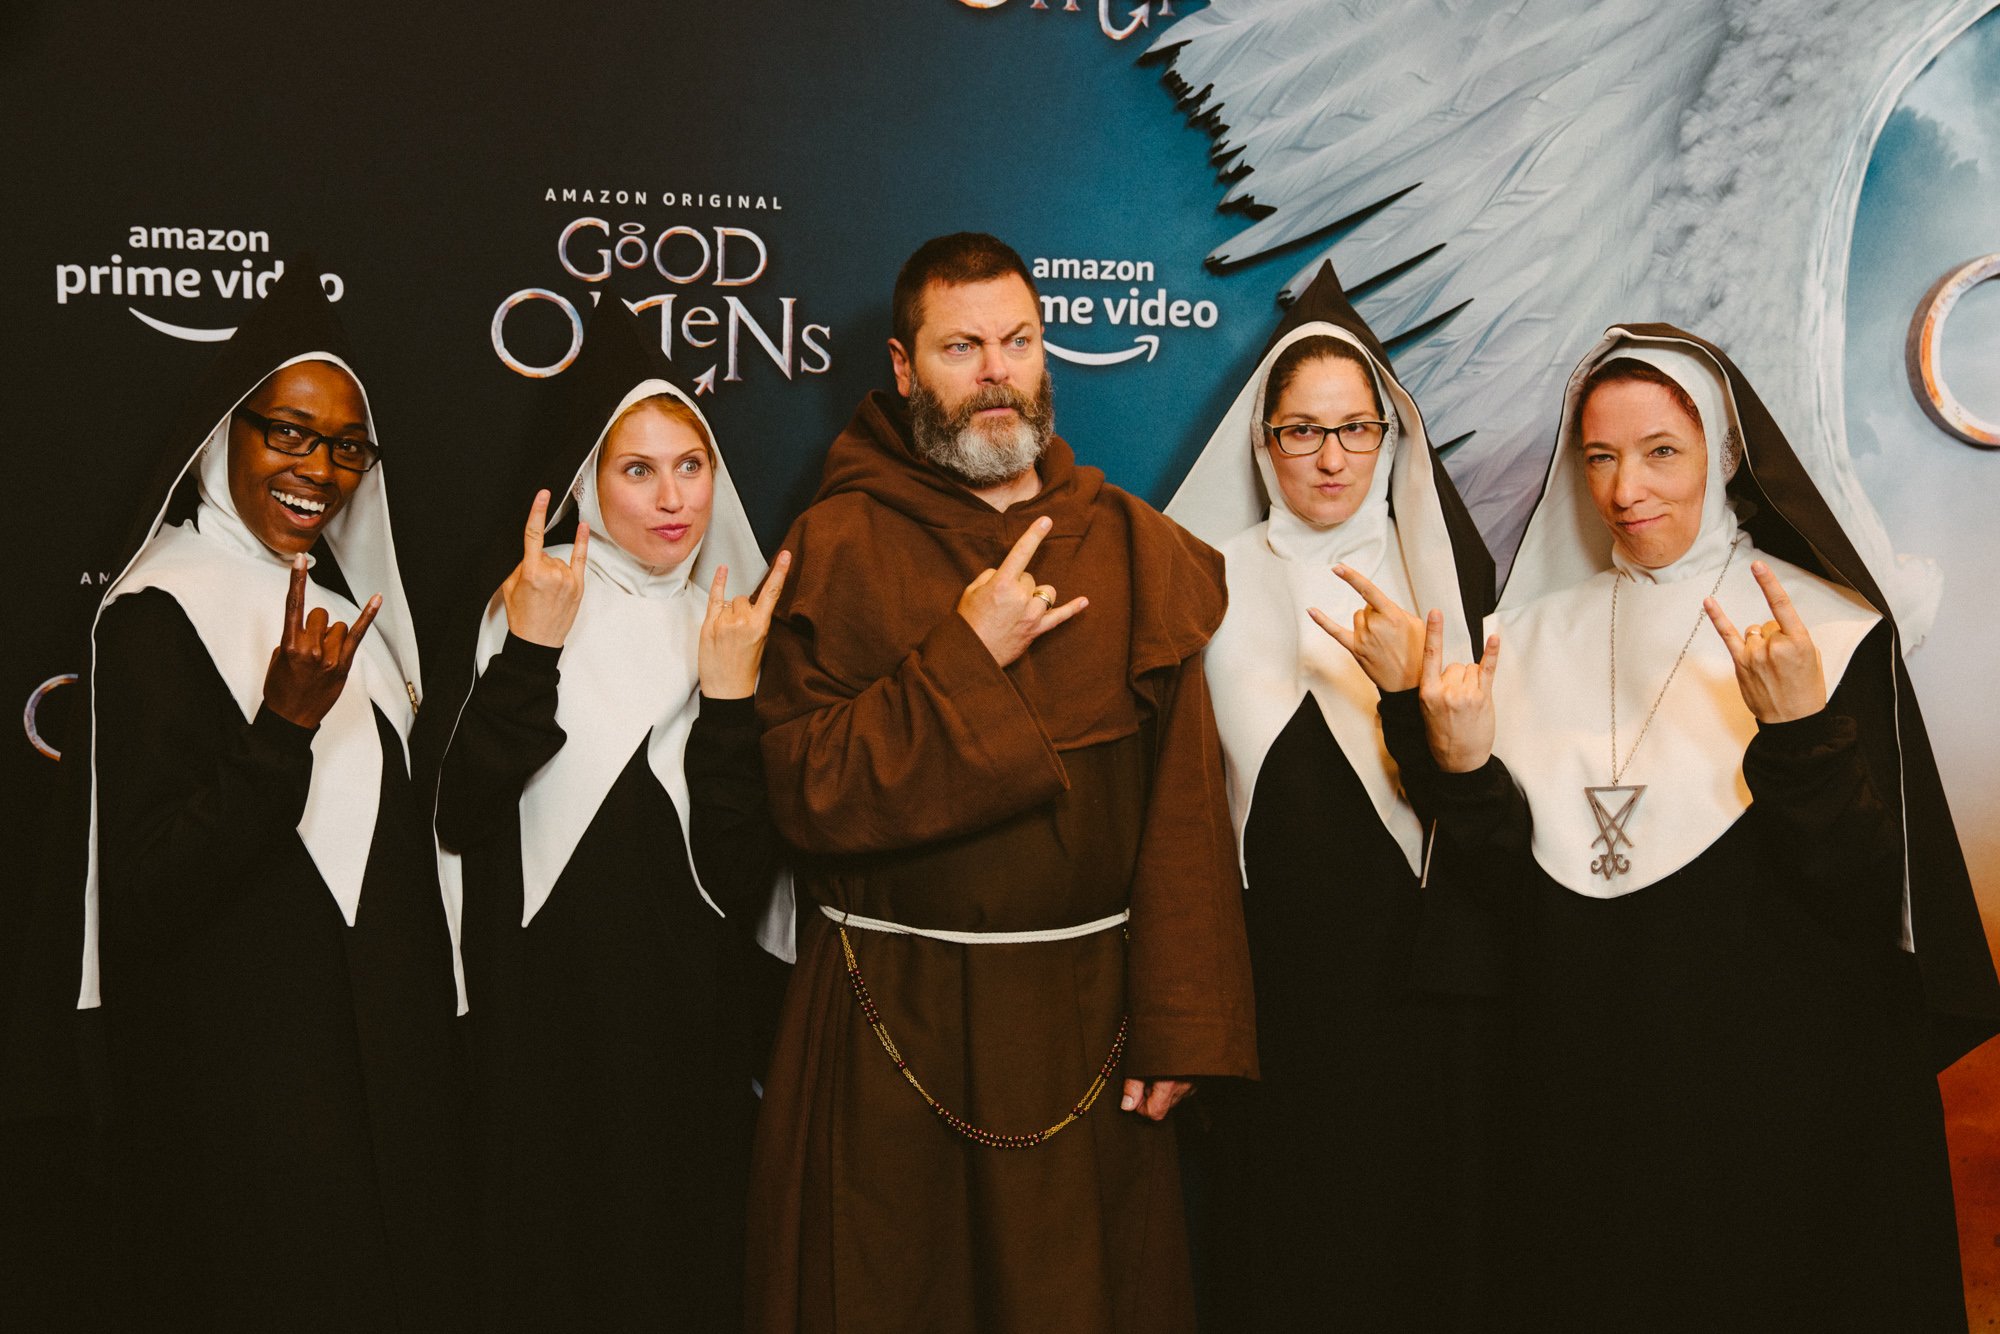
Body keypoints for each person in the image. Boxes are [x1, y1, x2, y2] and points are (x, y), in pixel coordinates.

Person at [1378, 326, 2000, 1329]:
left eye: (1661, 449)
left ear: (1722, 451)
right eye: (1598, 454)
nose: (1625, 486)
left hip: (1769, 1120)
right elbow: (1495, 900)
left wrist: (1801, 731)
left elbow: (1872, 899)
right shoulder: (1523, 638)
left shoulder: (1826, 628)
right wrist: (1460, 767)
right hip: (1582, 1112)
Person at [744, 232, 1256, 1333]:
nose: (995, 372)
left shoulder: (1131, 544)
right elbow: (805, 789)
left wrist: (1184, 1025)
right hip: (887, 1015)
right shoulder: (833, 542)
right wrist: (965, 659)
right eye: (961, 346)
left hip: (1084, 1029)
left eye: (1017, 341)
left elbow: (1182, 808)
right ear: (900, 368)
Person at [75, 262, 467, 1328]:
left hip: (384, 1078)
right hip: (243, 1094)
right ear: (224, 434)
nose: (319, 468)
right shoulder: (156, 608)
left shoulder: (355, 612)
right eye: (288, 432)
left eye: (347, 445)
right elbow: (149, 881)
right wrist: (281, 726)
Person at [432, 300, 792, 1330]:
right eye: (637, 469)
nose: (672, 497)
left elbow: (738, 874)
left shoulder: (729, 623)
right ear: (586, 479)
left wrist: (728, 704)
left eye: (690, 463)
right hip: (547, 1029)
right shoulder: (522, 603)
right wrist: (533, 654)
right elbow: (462, 813)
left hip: (691, 1039)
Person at [1164, 262, 1498, 1330]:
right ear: (1263, 444)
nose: (1329, 457)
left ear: (1388, 439)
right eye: (1302, 431)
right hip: (1268, 997)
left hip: (1415, 999)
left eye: (1352, 430)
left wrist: (1411, 691)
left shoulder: (1445, 581)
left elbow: (1486, 821)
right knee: (1274, 1263)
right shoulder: (1199, 579)